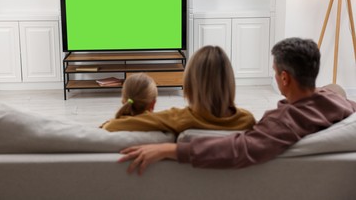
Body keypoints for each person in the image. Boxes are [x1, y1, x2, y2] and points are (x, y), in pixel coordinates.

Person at [119, 37, 356, 175]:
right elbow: (334, 92)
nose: (274, 77)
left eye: (274, 73)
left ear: (285, 78)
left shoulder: (282, 122)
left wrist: (169, 150)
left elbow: (241, 147)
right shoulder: (337, 102)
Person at [101, 45, 256, 134]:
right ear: (230, 83)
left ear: (189, 84)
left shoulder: (178, 118)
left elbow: (114, 126)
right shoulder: (247, 120)